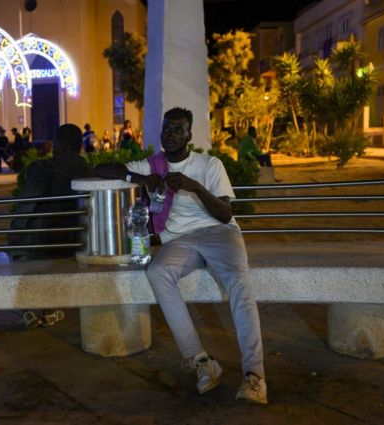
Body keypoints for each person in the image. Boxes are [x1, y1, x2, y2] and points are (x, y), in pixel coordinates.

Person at [96, 107, 267, 404]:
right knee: (157, 272)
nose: (170, 135)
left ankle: (254, 374)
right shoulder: (154, 165)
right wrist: (138, 177)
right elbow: (101, 170)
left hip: (219, 234)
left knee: (240, 283)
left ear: (190, 135)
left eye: (177, 130)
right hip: (180, 241)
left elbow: (226, 214)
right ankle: (200, 360)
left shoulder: (209, 164)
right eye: (166, 130)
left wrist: (195, 187)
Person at [9, 123, 95, 329]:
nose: (52, 149)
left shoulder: (42, 168)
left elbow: (26, 206)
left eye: (55, 145)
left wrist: (13, 236)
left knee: (20, 254)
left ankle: (28, 308)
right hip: (72, 247)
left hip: (40, 244)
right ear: (79, 147)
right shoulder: (89, 171)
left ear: (62, 146)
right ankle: (49, 310)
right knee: (52, 264)